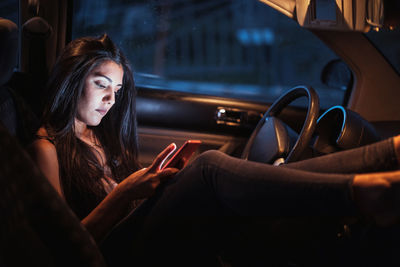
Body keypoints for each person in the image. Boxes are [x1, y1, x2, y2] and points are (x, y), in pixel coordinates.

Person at [29, 34, 400, 266]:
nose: (112, 99)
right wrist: (127, 190)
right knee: (209, 169)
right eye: (101, 84)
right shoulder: (46, 147)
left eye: (119, 90)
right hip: (112, 255)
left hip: (140, 228)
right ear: (72, 80)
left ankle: (387, 155)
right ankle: (360, 191)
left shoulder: (98, 137)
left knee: (249, 196)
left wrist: (149, 182)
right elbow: (64, 244)